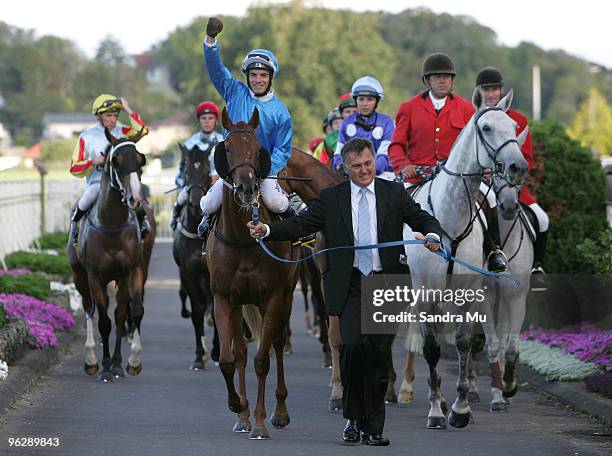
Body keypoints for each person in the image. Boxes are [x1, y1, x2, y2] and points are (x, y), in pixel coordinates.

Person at [248, 138, 443, 446]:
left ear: (373, 162)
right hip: (349, 282)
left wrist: (432, 233)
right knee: (351, 346)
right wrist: (269, 230)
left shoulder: (393, 193)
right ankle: (353, 417)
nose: (364, 170)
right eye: (357, 166)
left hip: (384, 283)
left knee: (378, 357)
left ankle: (374, 427)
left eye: (368, 164)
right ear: (345, 167)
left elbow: (421, 217)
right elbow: (300, 225)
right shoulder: (331, 199)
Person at [199, 17, 293, 238]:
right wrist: (211, 39)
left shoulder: (281, 111)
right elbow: (216, 70)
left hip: (263, 172)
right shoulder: (234, 91)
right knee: (208, 204)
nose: (258, 80)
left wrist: (263, 170)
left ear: (270, 78)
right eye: (253, 75)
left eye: (263, 75)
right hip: (233, 170)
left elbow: (283, 150)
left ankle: (294, 225)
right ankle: (208, 229)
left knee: (276, 203)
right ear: (247, 76)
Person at [475, 67, 549, 283]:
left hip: (511, 185)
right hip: (480, 184)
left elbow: (527, 158)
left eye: (494, 89)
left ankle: (536, 267)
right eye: (486, 89)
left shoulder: (518, 120)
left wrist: (510, 178)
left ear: (501, 91)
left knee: (543, 219)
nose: (490, 94)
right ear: (478, 92)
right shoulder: (473, 118)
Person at [69, 94, 149, 244]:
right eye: (108, 115)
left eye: (115, 115)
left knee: (137, 194)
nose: (113, 119)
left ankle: (143, 222)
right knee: (88, 197)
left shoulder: (123, 131)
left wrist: (127, 108)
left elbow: (142, 130)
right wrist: (93, 161)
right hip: (98, 184)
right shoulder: (86, 137)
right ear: (99, 116)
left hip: (122, 183)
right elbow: (74, 168)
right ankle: (74, 225)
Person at [170, 101, 223, 231]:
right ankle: (175, 220)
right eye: (203, 118)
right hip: (195, 185)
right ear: (199, 120)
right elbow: (181, 171)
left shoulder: (223, 141)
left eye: (211, 118)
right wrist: (185, 182)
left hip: (219, 185)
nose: (207, 121)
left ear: (216, 120)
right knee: (181, 197)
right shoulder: (190, 143)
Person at [332, 77, 395, 176]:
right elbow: (339, 152)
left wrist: (369, 171)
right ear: (356, 100)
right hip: (353, 175)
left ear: (376, 102)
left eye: (369, 99)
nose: (364, 104)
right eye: (361, 99)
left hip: (382, 175)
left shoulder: (386, 122)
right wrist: (340, 165)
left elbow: (384, 154)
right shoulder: (347, 123)